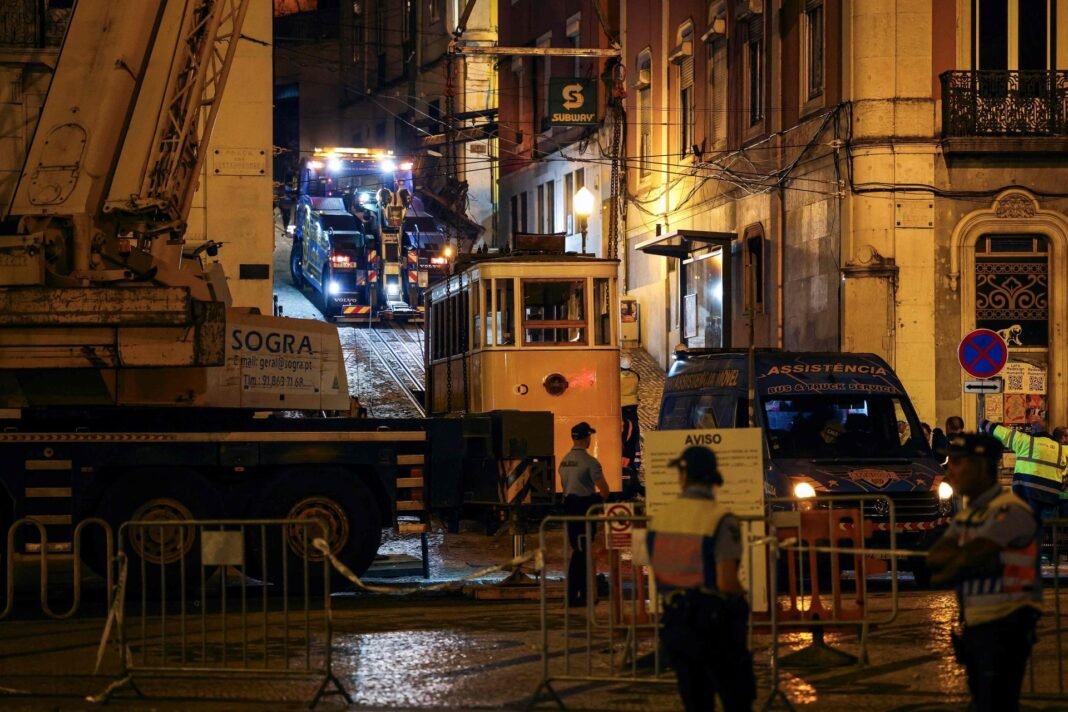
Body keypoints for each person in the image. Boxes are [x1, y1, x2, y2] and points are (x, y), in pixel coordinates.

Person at [636, 446, 755, 712]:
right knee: (736, 698)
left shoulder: (660, 520)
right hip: (715, 623)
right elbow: (726, 581)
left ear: (684, 475)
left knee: (696, 702)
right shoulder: (720, 520)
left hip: (675, 621)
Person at [927, 433, 1041, 712]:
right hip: (977, 623)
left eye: (957, 462)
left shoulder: (1010, 509)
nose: (949, 470)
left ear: (980, 466)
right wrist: (954, 563)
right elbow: (936, 556)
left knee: (996, 702)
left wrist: (952, 568)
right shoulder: (969, 515)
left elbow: (975, 553)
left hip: (1008, 622)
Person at [559, 421, 609, 607]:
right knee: (582, 553)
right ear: (587, 438)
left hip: (569, 509)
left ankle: (580, 594)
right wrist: (596, 503)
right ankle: (577, 596)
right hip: (585, 511)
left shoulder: (564, 461)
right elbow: (604, 490)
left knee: (579, 551)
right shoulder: (591, 462)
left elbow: (565, 487)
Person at [979, 417, 1066, 522]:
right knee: (1048, 530)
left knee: (1027, 529)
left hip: (1027, 495)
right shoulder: (1061, 448)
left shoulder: (1025, 441)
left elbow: (1003, 433)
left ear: (1033, 429)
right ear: (1047, 429)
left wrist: (984, 423)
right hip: (1050, 498)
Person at [619, 355, 643, 499]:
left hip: (621, 407)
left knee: (624, 433)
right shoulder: (635, 376)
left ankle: (624, 460)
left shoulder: (617, 377)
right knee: (634, 430)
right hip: (632, 407)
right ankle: (634, 461)